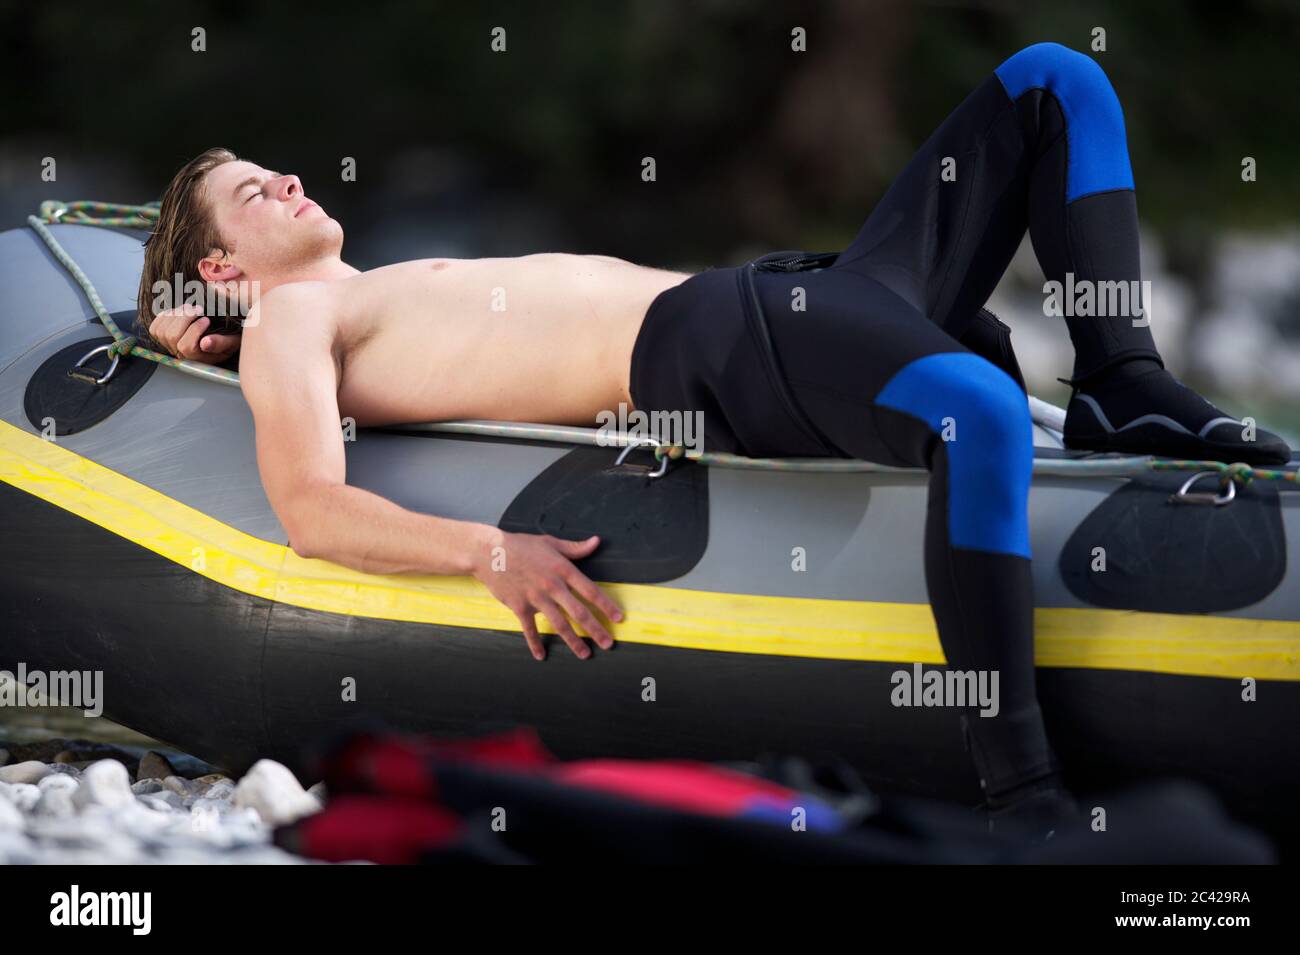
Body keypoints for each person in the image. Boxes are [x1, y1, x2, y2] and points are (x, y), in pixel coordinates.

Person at [138, 42, 1290, 834]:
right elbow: (308, 506)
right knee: (977, 411)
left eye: (269, 168)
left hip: (802, 297)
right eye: (251, 193)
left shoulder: (351, 289)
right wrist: (493, 554)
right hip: (716, 342)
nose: (286, 176)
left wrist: (213, 326)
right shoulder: (296, 313)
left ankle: (1125, 377)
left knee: (1053, 81)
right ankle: (1023, 789)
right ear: (223, 269)